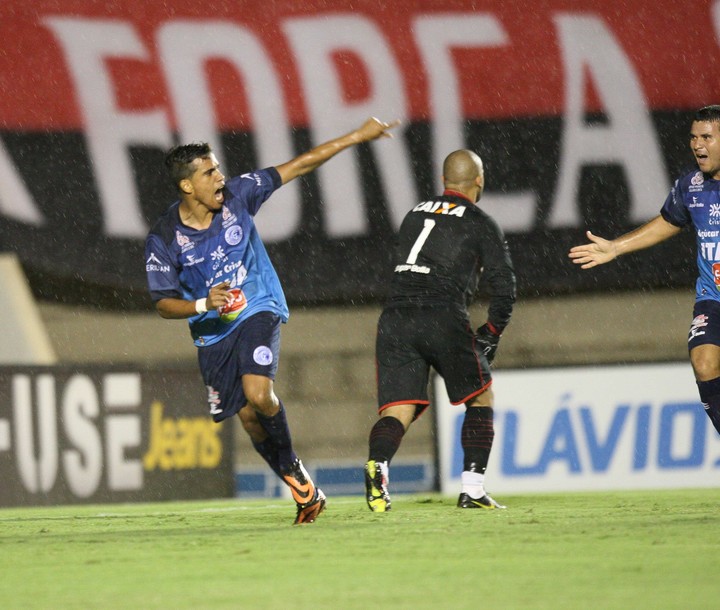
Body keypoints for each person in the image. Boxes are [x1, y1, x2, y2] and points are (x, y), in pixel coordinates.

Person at [145, 117, 399, 524]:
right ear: (187, 185)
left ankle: (297, 477)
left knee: (259, 395)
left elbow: (299, 165)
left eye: (218, 168)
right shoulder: (163, 237)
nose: (221, 177)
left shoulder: (239, 196)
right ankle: (303, 486)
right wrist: (202, 305)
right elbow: (162, 303)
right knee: (247, 417)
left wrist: (357, 136)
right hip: (213, 333)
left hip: (257, 306)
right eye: (210, 172)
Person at [364, 149, 516, 512]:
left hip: (396, 317)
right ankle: (473, 489)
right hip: (442, 314)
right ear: (478, 180)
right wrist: (492, 331)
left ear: (443, 179)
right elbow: (504, 284)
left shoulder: (413, 214)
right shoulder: (480, 221)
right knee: (480, 398)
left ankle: (378, 465)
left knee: (397, 411)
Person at [568, 104, 720, 437]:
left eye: (707, 137)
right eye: (694, 137)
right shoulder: (691, 185)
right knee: (704, 362)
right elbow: (668, 221)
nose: (697, 145)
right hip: (714, 298)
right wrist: (616, 247)